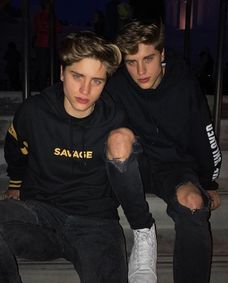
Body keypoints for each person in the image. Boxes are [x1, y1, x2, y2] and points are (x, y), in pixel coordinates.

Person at [1, 31, 156, 283]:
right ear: (62, 72)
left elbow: (134, 170)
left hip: (96, 224)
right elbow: (15, 147)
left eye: (97, 81)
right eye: (77, 76)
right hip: (41, 217)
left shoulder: (115, 117)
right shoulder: (34, 112)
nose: (85, 89)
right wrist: (16, 184)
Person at [106, 20, 222, 283]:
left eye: (148, 58)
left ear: (162, 54)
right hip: (134, 167)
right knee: (118, 139)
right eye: (131, 62)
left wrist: (208, 182)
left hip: (175, 167)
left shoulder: (184, 83)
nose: (140, 70)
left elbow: (204, 134)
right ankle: (143, 230)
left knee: (194, 203)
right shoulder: (117, 85)